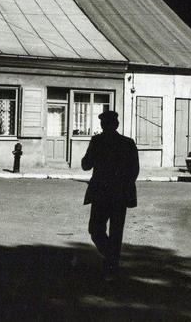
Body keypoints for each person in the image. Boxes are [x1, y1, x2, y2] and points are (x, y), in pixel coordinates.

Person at [81, 111, 139, 279]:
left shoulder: (97, 141)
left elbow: (86, 165)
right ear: (117, 125)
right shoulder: (128, 143)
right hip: (120, 194)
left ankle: (110, 258)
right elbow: (134, 170)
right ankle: (113, 261)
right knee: (116, 231)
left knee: (95, 229)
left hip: (101, 193)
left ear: (102, 125)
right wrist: (124, 185)